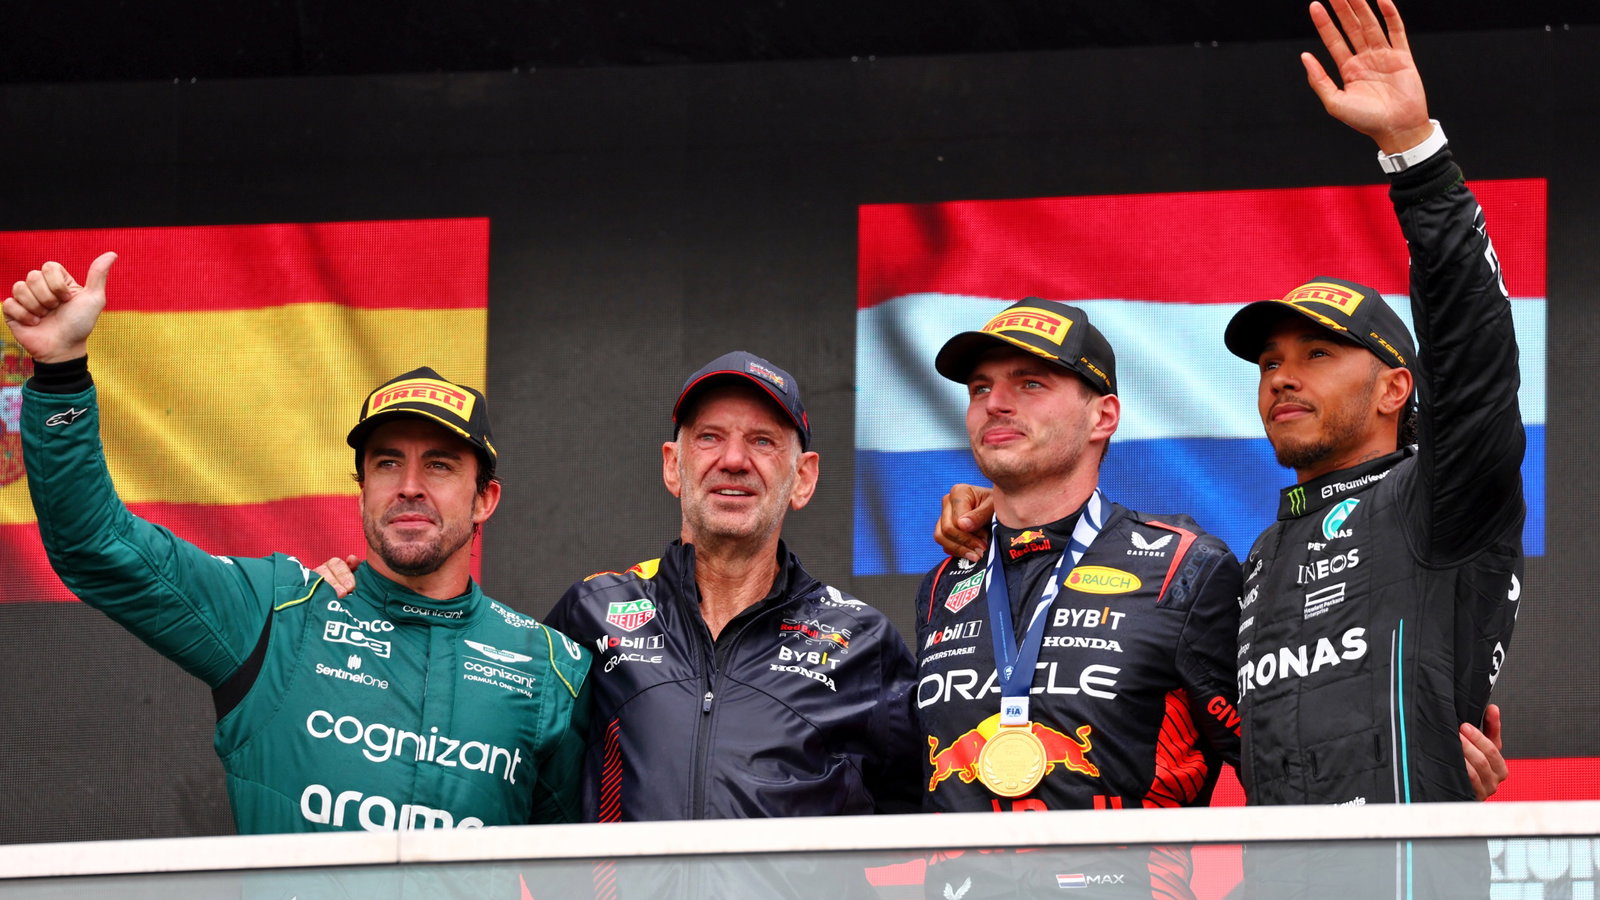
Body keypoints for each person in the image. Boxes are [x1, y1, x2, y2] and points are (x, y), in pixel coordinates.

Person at [933, 0, 1513, 810]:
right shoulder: (1265, 557)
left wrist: (1414, 157)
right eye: (1270, 360)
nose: (1281, 376)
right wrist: (996, 512)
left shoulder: (1440, 499)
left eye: (1316, 354)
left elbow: (1475, 358)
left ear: (1395, 388)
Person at [4, 252, 591, 834]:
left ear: (485, 498)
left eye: (439, 466)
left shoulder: (550, 670)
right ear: (362, 489)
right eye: (388, 463)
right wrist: (60, 372)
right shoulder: (276, 613)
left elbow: (579, 870)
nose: (409, 487)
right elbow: (96, 543)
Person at [917, 299, 1243, 899]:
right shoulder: (946, 583)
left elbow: (1278, 771)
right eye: (980, 387)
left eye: (1031, 383)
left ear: (1103, 417)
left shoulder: (1185, 566)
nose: (995, 402)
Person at [542, 350, 920, 821]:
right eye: (709, 438)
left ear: (803, 478)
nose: (734, 460)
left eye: (762, 441)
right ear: (672, 465)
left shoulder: (864, 642)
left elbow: (921, 824)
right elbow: (533, 793)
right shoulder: (591, 612)